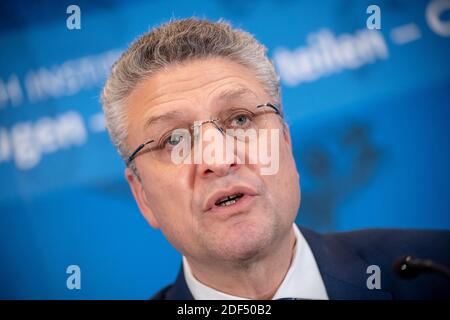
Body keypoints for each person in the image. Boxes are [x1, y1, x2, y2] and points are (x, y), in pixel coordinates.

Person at [101, 18, 450, 300]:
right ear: (142, 195)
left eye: (240, 120)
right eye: (173, 139)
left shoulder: (436, 268)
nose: (220, 160)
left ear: (285, 143)